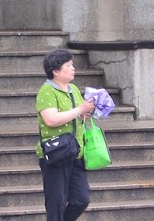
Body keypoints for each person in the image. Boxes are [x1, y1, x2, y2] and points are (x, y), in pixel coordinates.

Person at [36, 47, 95, 221]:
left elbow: (78, 113)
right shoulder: (47, 91)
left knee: (81, 199)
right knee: (56, 203)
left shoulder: (73, 89)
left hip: (75, 152)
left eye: (72, 65)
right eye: (68, 65)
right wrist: (80, 110)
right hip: (56, 153)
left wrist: (87, 112)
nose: (73, 68)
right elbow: (51, 119)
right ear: (55, 71)